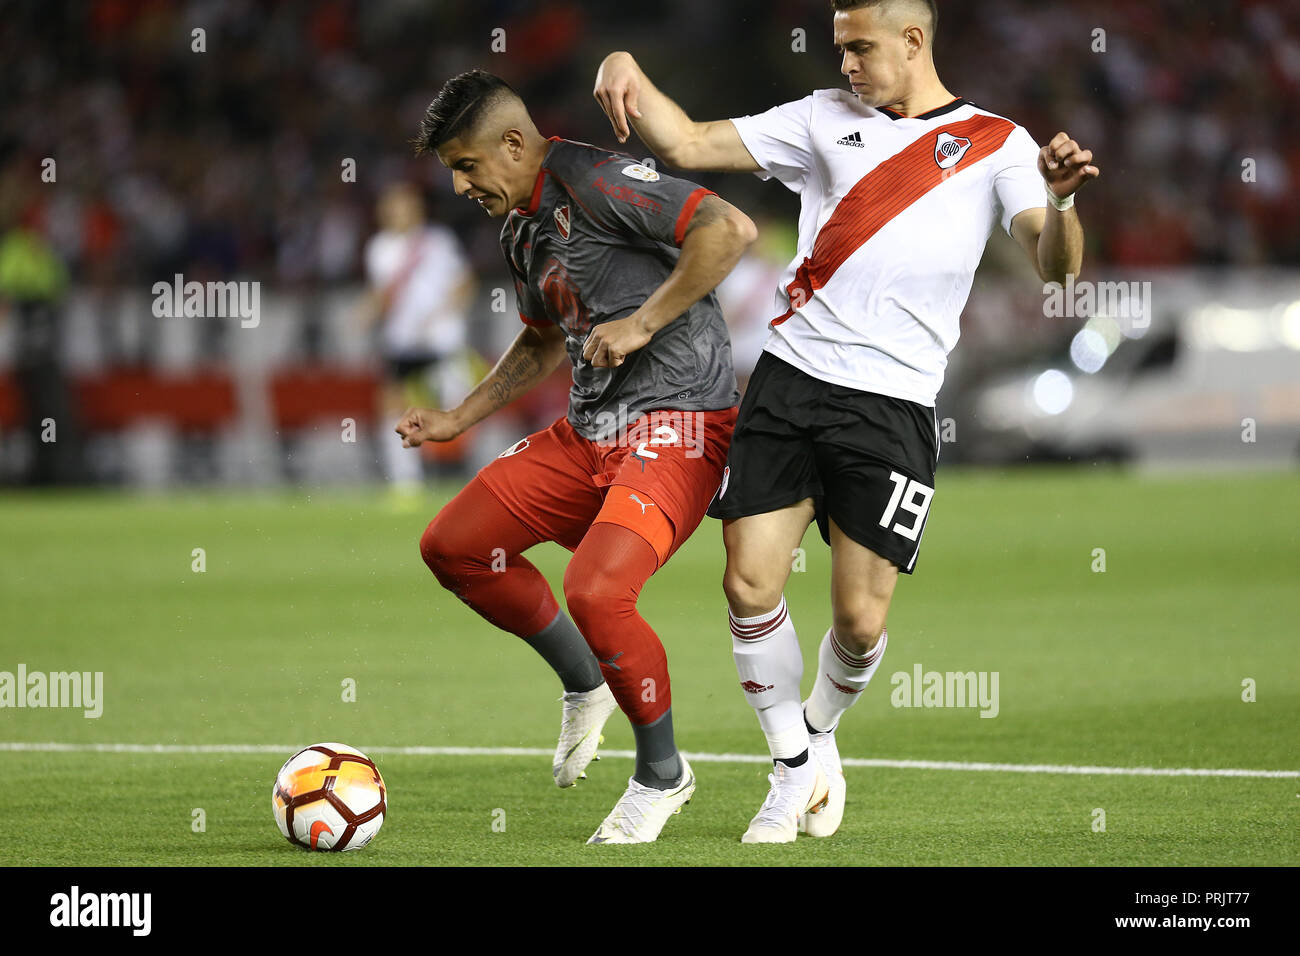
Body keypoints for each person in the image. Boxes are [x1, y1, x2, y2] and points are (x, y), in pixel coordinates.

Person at [593, 0, 1099, 842]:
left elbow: (1058, 270)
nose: (845, 66)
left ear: (913, 40)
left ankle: (819, 735)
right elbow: (686, 143)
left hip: (895, 402)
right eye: (838, 49)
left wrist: (1064, 202)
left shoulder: (999, 144)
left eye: (860, 48)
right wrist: (624, 65)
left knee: (860, 624)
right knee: (748, 580)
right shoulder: (822, 119)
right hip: (791, 379)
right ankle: (789, 769)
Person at [396, 70, 755, 844]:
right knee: (454, 546)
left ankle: (663, 773)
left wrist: (644, 323)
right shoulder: (520, 227)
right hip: (589, 433)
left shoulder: (598, 178)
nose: (460, 185)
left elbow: (727, 229)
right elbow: (538, 338)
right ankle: (584, 682)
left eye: (466, 165)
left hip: (679, 424)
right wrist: (460, 416)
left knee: (596, 592)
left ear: (515, 144)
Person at [357, 182, 476, 503]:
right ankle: (405, 483)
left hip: (441, 342)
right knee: (392, 411)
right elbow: (382, 294)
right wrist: (367, 312)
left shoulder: (437, 242)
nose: (396, 213)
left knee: (459, 408)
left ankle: (470, 478)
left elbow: (465, 282)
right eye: (391, 207)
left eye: (403, 206)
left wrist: (444, 314)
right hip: (402, 343)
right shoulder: (379, 247)